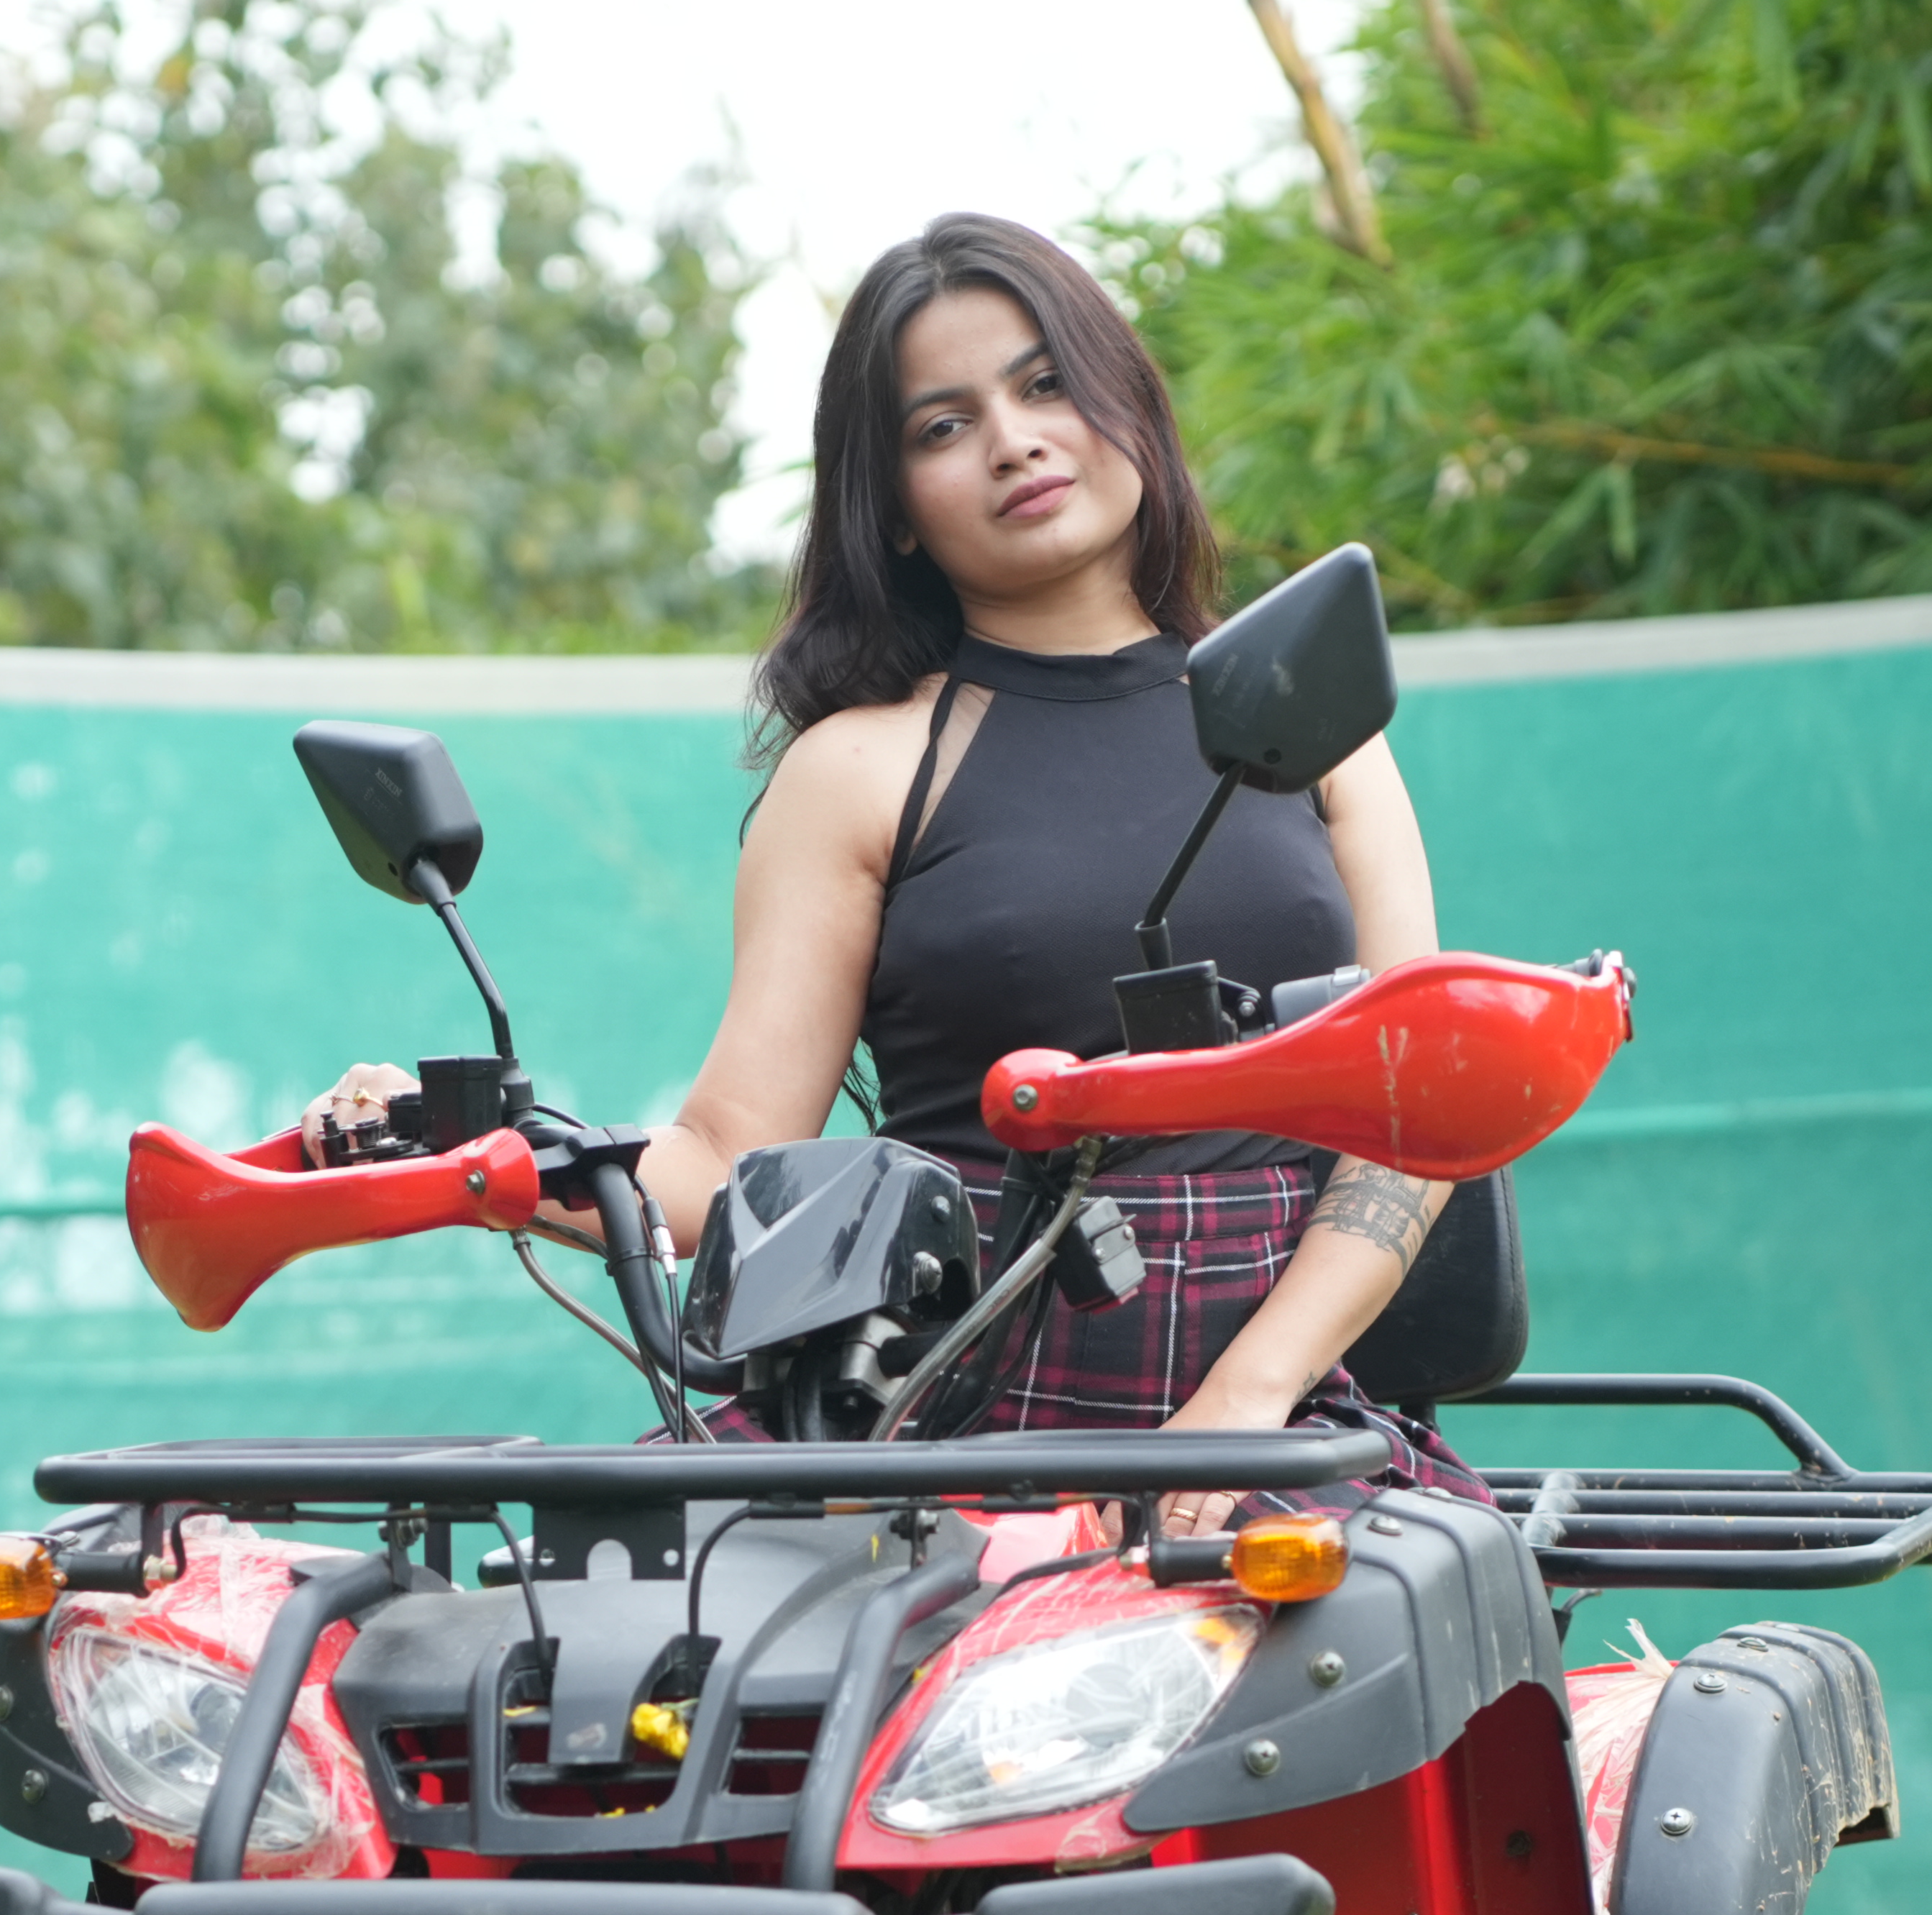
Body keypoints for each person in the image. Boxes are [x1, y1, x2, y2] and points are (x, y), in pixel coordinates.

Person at [308, 211, 1478, 1530]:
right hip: (927, 1416)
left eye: (1046, 384)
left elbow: (1417, 1119)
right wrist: (470, 1156)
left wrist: (1248, 1404)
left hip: (1274, 1408)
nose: (1014, 440)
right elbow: (724, 1156)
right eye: (943, 425)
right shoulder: (858, 771)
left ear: (1130, 408)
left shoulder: (1314, 713)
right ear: (900, 511)